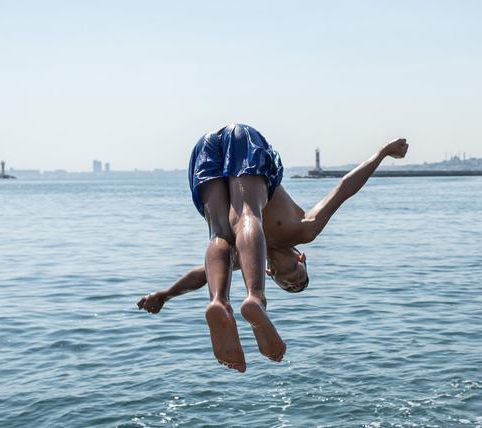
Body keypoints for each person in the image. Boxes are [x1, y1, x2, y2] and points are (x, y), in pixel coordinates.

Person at [138, 124, 408, 372]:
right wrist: (383, 153)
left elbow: (201, 275)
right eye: (298, 278)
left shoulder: (248, 255)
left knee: (220, 232)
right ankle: (255, 298)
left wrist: (165, 295)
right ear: (301, 258)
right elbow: (344, 188)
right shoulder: (304, 229)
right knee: (247, 213)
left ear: (269, 271)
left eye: (287, 286)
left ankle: (218, 301)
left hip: (206, 148)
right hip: (241, 139)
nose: (292, 282)